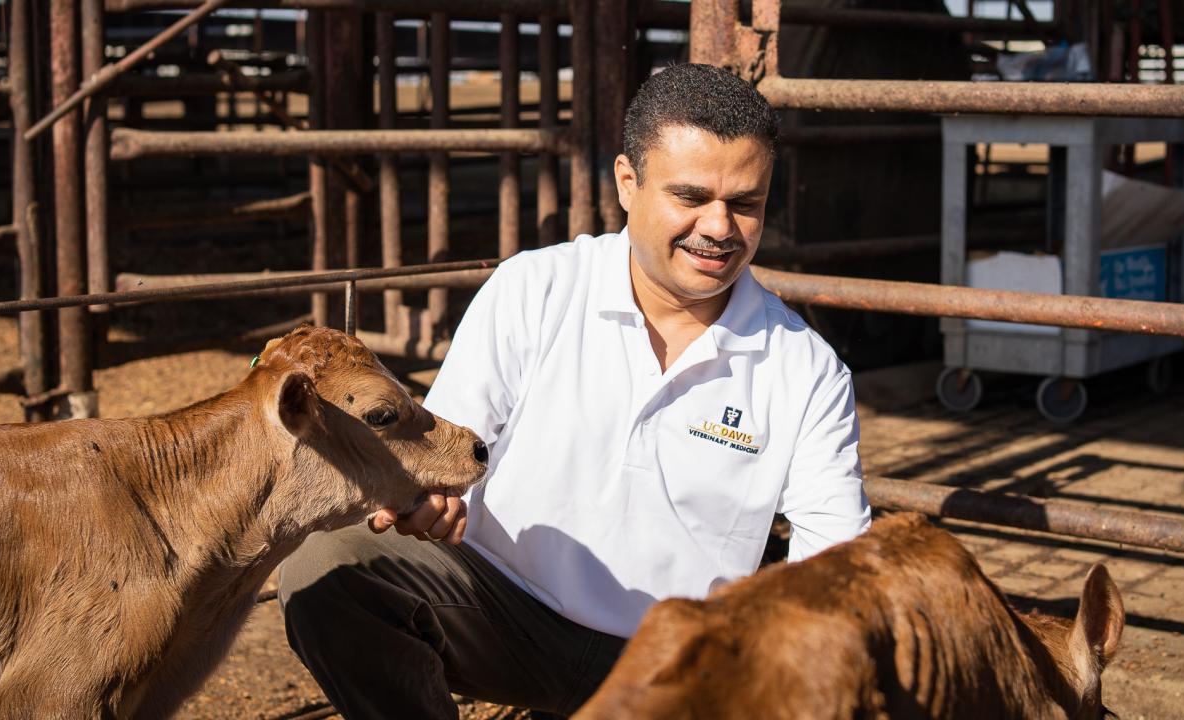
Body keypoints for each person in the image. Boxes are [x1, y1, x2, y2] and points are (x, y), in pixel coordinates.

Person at [278, 63, 871, 720]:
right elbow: (444, 453)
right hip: (511, 612)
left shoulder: (804, 367)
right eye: (691, 196)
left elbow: (835, 568)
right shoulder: (535, 290)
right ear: (627, 181)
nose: (719, 227)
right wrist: (427, 500)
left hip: (680, 662)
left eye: (745, 203)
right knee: (327, 565)